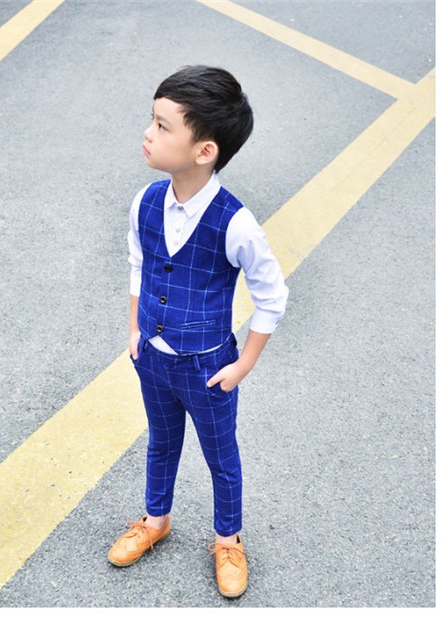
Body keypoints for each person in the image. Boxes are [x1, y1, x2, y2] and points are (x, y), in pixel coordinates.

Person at [108, 65, 288, 598]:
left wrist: (243, 364)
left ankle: (228, 540)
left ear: (204, 151)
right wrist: (135, 329)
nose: (148, 132)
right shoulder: (145, 201)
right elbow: (140, 263)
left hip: (209, 365)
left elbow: (272, 294)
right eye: (152, 119)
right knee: (161, 442)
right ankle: (155, 519)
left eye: (163, 126)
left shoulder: (235, 222)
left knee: (220, 456)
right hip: (153, 356)